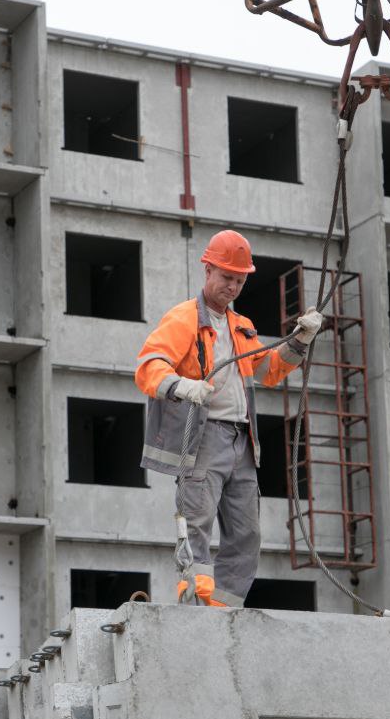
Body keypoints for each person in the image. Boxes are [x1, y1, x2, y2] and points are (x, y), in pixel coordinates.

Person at [134, 230, 323, 606]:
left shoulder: (241, 326)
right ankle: (196, 604)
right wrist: (181, 387)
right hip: (205, 437)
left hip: (241, 441)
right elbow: (149, 365)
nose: (233, 286)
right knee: (197, 523)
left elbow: (269, 370)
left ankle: (224, 609)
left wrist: (300, 341)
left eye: (239, 280)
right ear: (208, 270)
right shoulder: (184, 318)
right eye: (227, 278)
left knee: (247, 533)